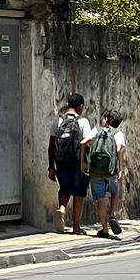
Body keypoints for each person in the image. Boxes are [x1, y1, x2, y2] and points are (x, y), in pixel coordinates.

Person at [49, 94, 92, 234]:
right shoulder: (83, 122)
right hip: (77, 163)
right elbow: (86, 144)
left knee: (64, 188)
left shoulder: (58, 121)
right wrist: (83, 163)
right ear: (80, 107)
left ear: (67, 105)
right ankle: (76, 226)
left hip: (61, 162)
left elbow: (51, 145)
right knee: (79, 193)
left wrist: (51, 167)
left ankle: (62, 209)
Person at [83, 110, 127, 239]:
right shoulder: (118, 134)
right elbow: (119, 151)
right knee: (115, 191)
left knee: (101, 199)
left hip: (96, 171)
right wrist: (121, 169)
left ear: (106, 119)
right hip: (110, 170)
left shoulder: (96, 130)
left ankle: (104, 229)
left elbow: (84, 142)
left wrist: (83, 161)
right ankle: (112, 215)